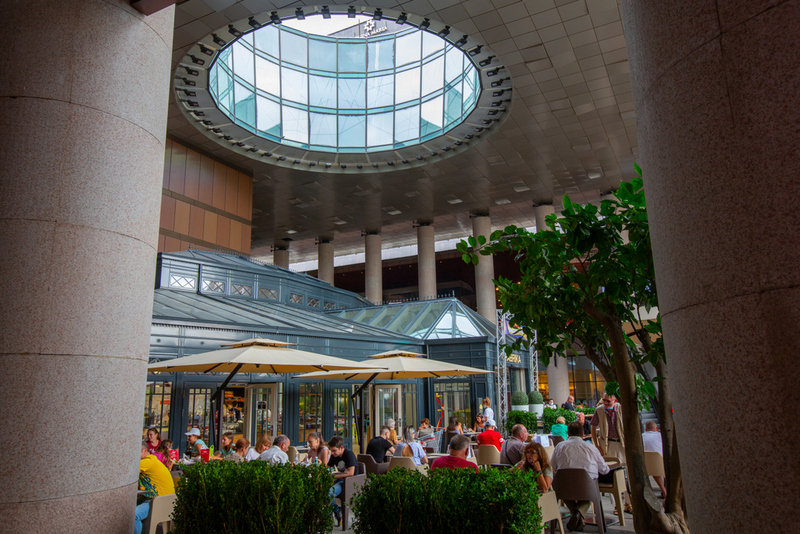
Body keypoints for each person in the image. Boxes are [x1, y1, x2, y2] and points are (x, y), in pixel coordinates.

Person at [550, 422, 611, 532]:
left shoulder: (560, 446)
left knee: (563, 491)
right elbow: (604, 470)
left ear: (568, 433)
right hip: (586, 487)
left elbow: (552, 467)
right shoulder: (590, 447)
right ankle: (578, 513)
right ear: (583, 433)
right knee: (591, 494)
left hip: (564, 486)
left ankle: (576, 515)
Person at [135, 441, 175, 534]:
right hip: (166, 499)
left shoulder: (147, 462)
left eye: (136, 452)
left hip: (158, 501)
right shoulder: (153, 460)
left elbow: (128, 472)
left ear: (145, 450)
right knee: (128, 509)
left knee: (134, 515)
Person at [328, 435, 358, 527]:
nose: (332, 453)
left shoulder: (349, 454)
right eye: (331, 451)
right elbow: (328, 468)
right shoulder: (334, 455)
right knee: (322, 491)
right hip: (339, 479)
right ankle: (336, 510)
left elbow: (351, 473)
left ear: (341, 448)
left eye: (334, 450)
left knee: (329, 493)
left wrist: (334, 476)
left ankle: (329, 516)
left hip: (348, 482)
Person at [642, 421, 667, 498]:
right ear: (656, 428)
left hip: (647, 466)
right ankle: (666, 490)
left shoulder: (642, 436)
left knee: (653, 465)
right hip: (661, 465)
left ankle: (663, 490)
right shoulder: (660, 436)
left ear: (646, 429)